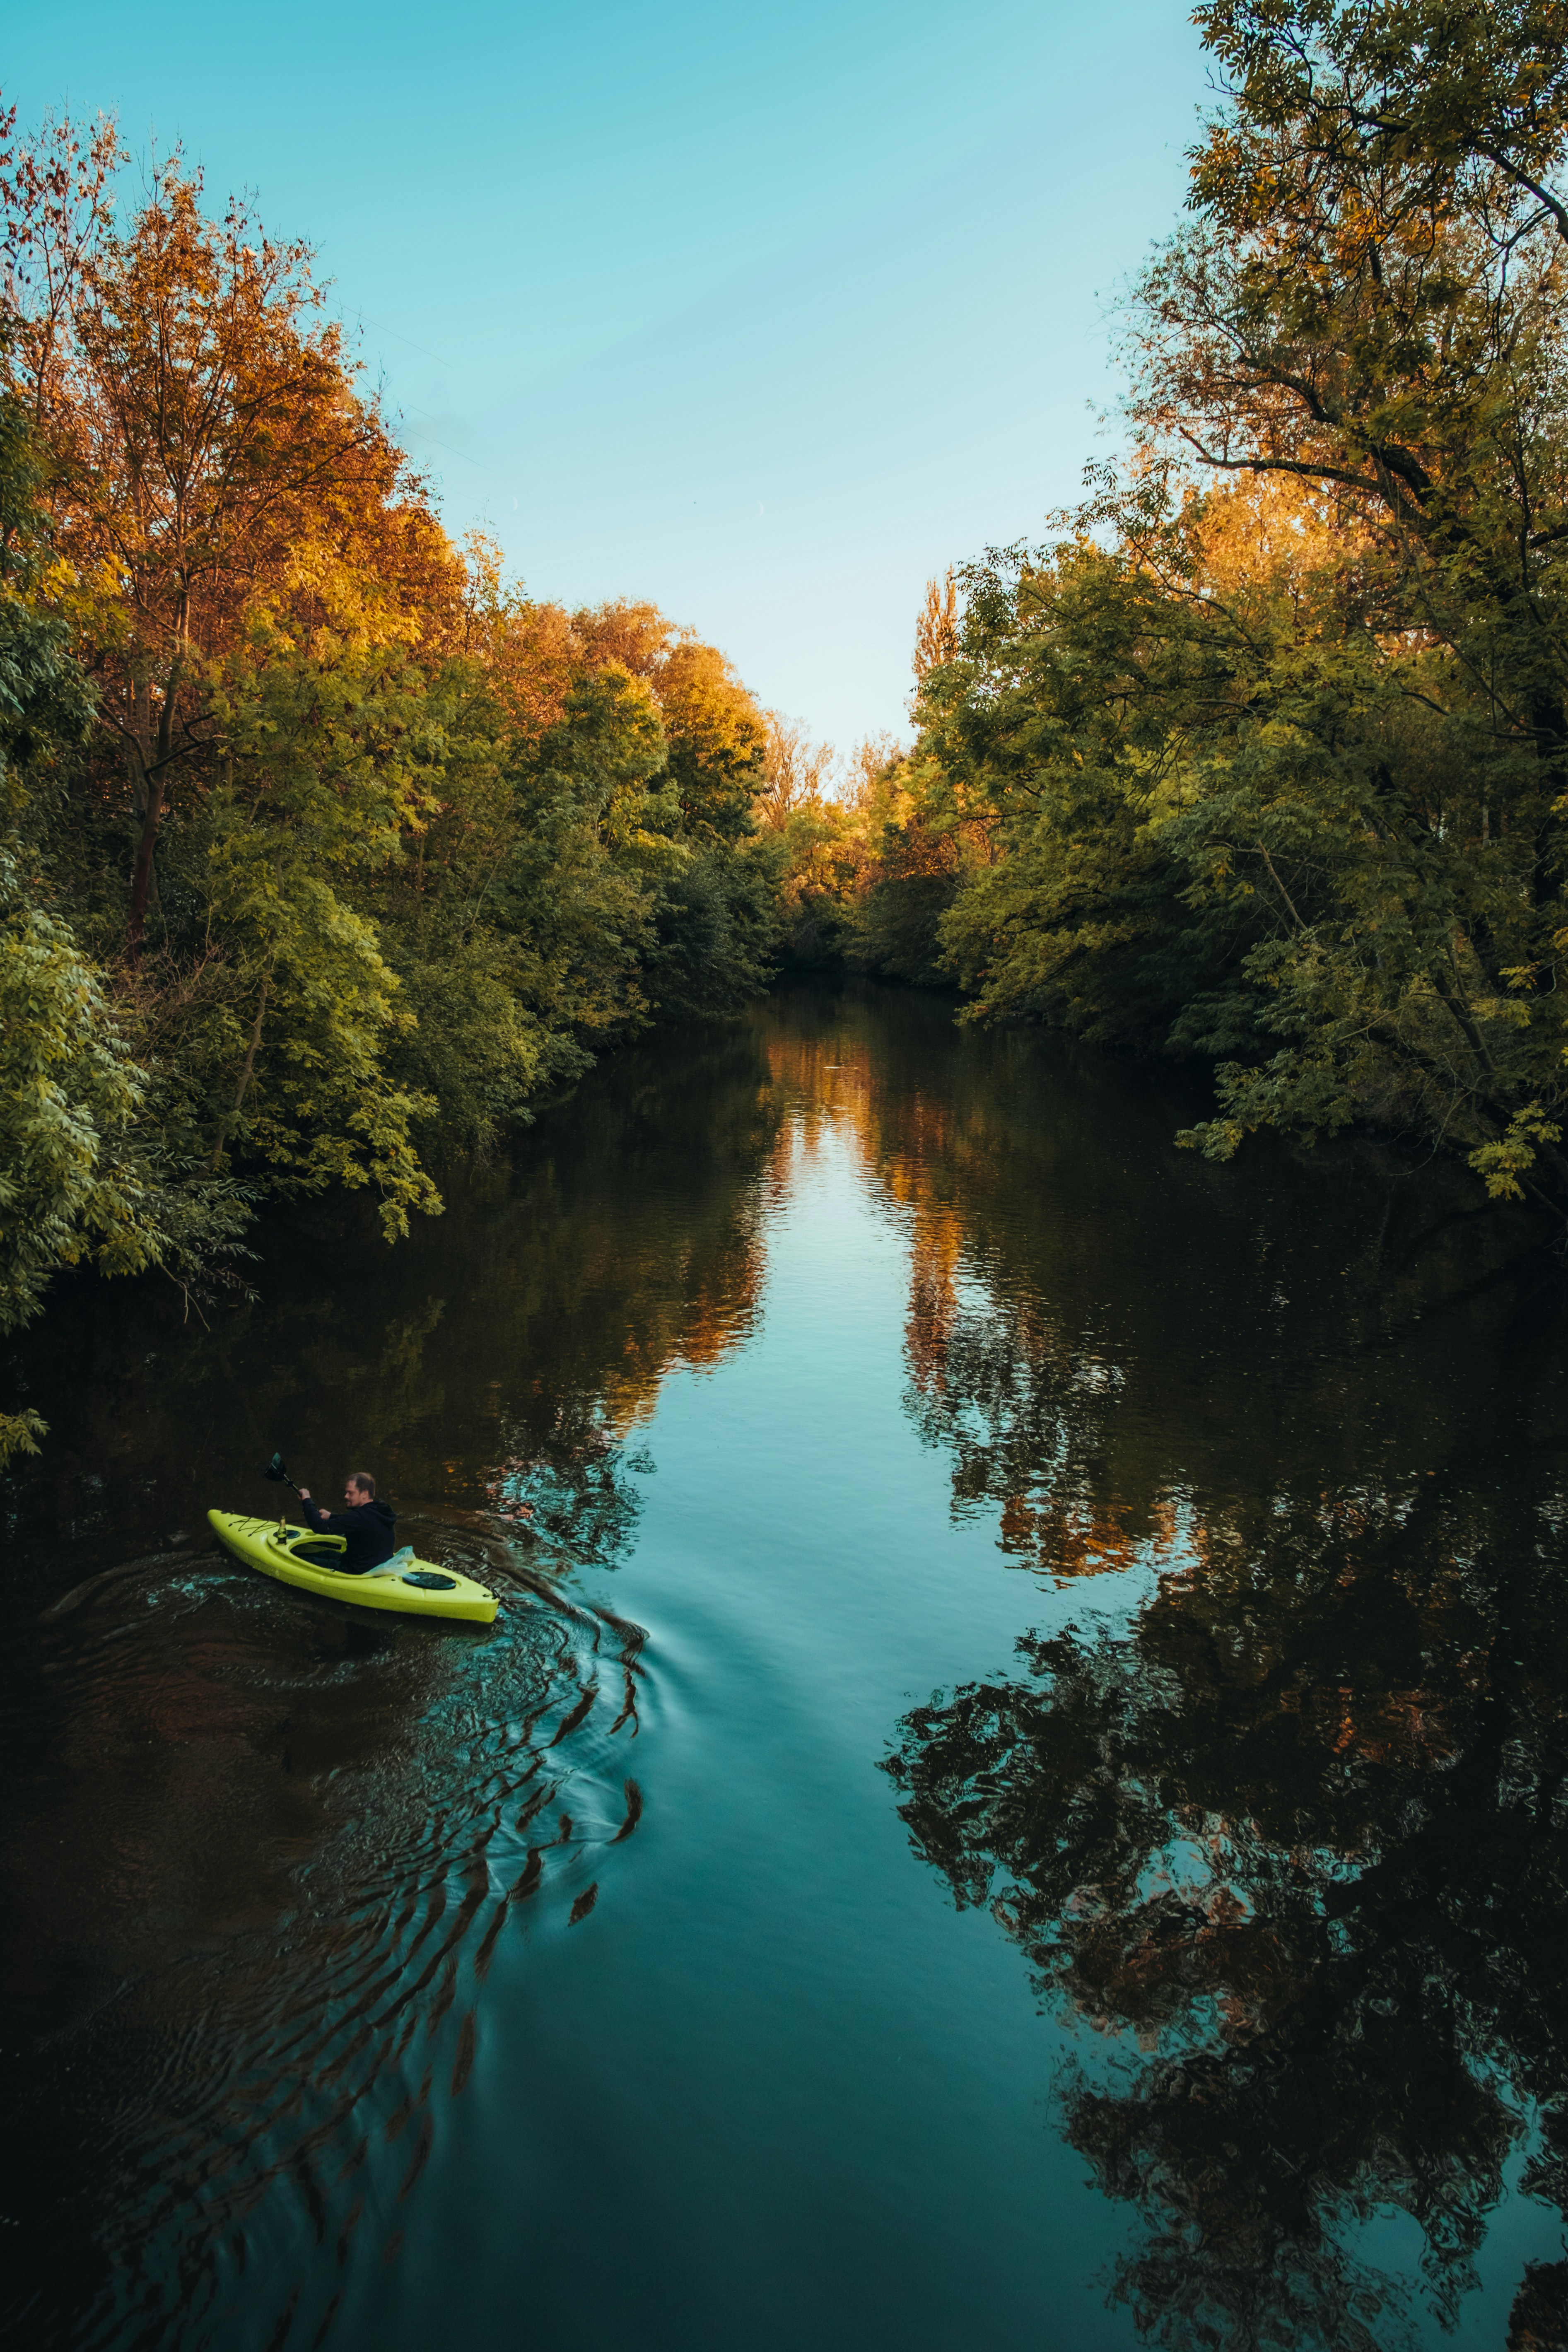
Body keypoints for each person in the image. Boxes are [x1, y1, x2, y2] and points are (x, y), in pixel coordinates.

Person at [294, 1471, 398, 1575]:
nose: (346, 1496)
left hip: (356, 1570)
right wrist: (331, 1516)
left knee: (304, 1561)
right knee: (327, 1554)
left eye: (351, 1493)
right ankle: (296, 1554)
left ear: (364, 1494)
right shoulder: (380, 1510)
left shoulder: (360, 1517)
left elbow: (319, 1527)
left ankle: (296, 1558)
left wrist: (307, 1501)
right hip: (375, 1563)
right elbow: (353, 1521)